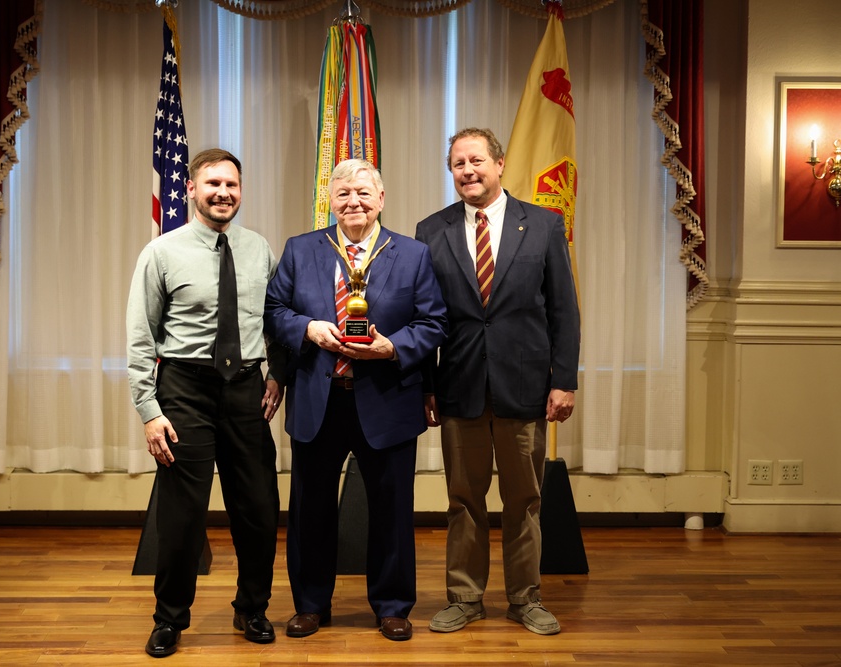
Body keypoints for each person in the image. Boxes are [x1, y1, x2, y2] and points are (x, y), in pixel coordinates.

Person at [265, 159, 447, 642]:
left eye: (364, 193)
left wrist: (394, 347)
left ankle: (391, 606)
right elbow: (274, 310)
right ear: (331, 201)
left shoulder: (412, 255)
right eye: (343, 194)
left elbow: (433, 323)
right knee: (310, 510)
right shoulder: (301, 250)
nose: (354, 202)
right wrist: (306, 328)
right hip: (318, 400)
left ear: (381, 199)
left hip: (387, 399)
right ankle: (310, 604)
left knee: (391, 510)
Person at [415, 128, 580, 636]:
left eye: (477, 161)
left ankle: (525, 599)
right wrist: (426, 386)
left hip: (526, 387)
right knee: (464, 500)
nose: (468, 170)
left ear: (500, 164)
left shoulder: (545, 224)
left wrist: (564, 381)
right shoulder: (430, 229)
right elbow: (423, 315)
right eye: (458, 163)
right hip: (458, 386)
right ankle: (464, 598)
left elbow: (564, 311)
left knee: (524, 501)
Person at [126, 148, 282, 658]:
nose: (223, 193)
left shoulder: (259, 249)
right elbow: (140, 338)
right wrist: (150, 412)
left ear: (241, 191)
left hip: (245, 389)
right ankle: (169, 619)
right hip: (184, 391)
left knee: (258, 508)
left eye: (232, 185)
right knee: (182, 515)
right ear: (191, 190)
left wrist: (277, 373)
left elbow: (278, 320)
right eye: (212, 183)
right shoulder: (162, 252)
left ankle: (252, 609)